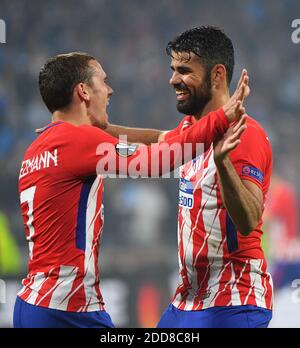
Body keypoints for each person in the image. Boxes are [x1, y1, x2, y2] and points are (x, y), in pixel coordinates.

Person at [15, 52, 247, 328]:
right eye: (104, 81)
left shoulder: (37, 148)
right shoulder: (78, 140)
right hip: (67, 308)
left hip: (32, 303)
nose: (110, 90)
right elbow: (159, 161)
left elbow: (163, 142)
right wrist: (221, 118)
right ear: (84, 91)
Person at [103, 26, 273, 328]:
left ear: (217, 74)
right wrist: (93, 128)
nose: (173, 80)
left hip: (233, 302)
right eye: (173, 70)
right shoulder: (190, 131)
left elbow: (249, 219)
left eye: (184, 70)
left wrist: (222, 163)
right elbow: (156, 139)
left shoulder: (245, 135)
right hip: (188, 301)